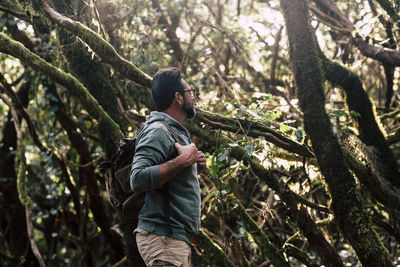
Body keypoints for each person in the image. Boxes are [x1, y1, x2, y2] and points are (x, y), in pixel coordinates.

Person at [130, 67, 206, 267]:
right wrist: (183, 161)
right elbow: (137, 178)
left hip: (173, 240)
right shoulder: (158, 131)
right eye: (191, 93)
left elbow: (168, 178)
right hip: (163, 238)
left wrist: (192, 168)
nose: (194, 98)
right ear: (178, 97)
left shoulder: (173, 130)